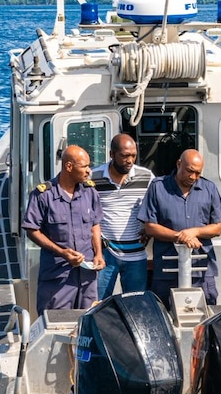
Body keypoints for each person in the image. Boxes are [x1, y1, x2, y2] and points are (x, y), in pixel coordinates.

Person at [137, 149, 221, 307]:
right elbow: (150, 227)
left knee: (205, 318)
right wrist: (180, 236)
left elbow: (218, 227)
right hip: (167, 269)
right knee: (164, 315)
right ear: (179, 164)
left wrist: (195, 232)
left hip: (201, 270)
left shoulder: (209, 188)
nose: (193, 177)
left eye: (198, 173)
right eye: (189, 171)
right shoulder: (158, 187)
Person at [22, 145, 106, 314]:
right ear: (69, 166)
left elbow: (95, 224)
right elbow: (32, 229)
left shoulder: (90, 192)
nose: (89, 171)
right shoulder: (43, 195)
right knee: (56, 322)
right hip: (58, 276)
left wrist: (98, 254)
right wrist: (62, 253)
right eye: (84, 166)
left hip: (87, 276)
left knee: (88, 322)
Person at [91, 133, 153, 299]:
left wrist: (148, 229)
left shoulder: (147, 177)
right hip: (105, 254)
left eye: (133, 155)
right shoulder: (92, 178)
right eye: (124, 156)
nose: (130, 160)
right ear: (112, 154)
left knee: (136, 304)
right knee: (98, 305)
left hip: (137, 253)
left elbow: (155, 208)